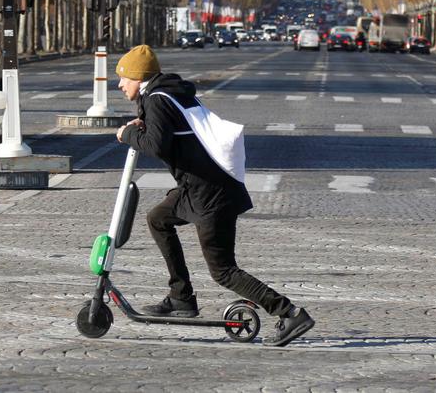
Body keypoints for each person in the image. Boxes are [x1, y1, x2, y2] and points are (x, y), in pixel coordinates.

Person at [113, 45, 315, 347]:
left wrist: (126, 134)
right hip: (198, 188)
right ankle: (181, 297)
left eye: (123, 78)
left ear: (137, 76)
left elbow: (156, 145)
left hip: (209, 193)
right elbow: (166, 134)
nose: (119, 85)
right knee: (158, 219)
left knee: (223, 270)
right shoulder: (169, 94)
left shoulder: (157, 100)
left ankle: (290, 313)